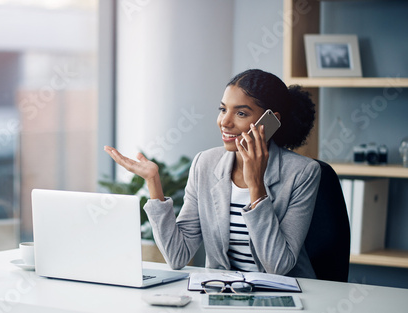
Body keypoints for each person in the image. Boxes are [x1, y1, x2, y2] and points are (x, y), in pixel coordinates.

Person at [104, 69, 321, 278]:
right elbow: (177, 256)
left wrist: (256, 186)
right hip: (222, 291)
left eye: (241, 113)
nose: (225, 122)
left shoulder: (302, 173)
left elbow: (278, 267)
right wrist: (153, 183)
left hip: (282, 295)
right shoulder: (205, 164)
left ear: (270, 121)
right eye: (223, 109)